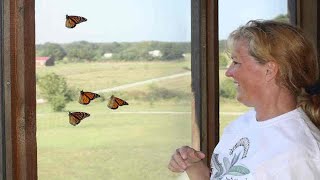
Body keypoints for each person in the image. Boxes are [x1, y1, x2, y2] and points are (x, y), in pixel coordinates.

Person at [168, 19, 320, 180]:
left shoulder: (299, 154)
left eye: (236, 62)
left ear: (269, 70)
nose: (229, 72)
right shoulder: (242, 125)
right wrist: (193, 166)